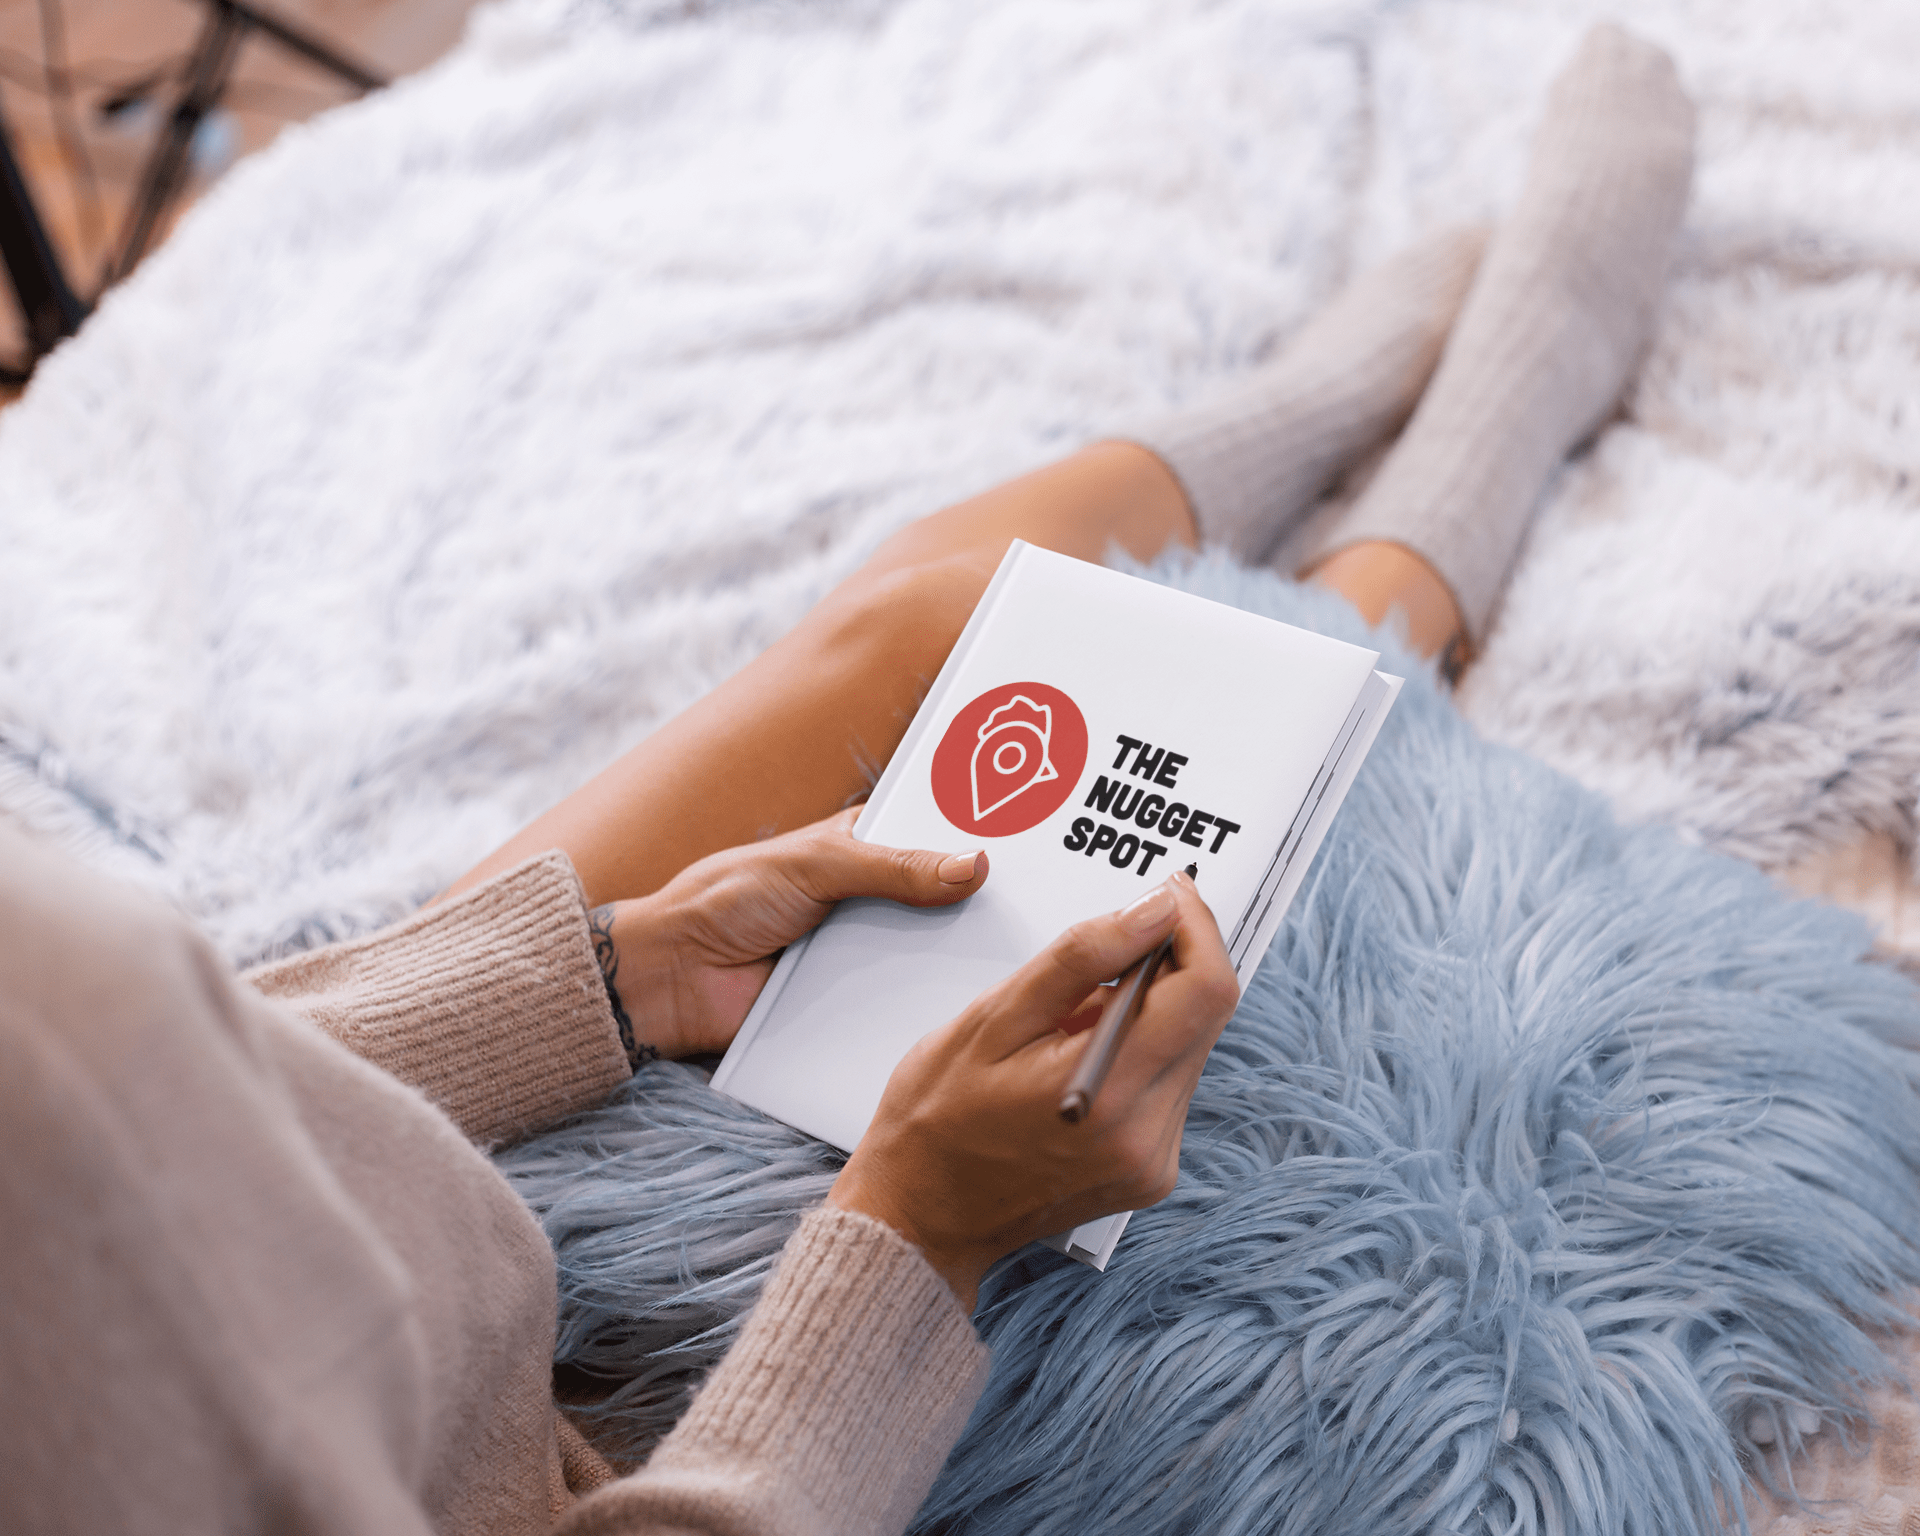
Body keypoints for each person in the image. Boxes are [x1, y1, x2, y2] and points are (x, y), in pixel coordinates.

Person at [0, 24, 1693, 1536]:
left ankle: (1311, 405)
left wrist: (614, 973)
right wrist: (923, 1225)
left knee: (935, 640)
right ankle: (1446, 507)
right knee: (1265, 799)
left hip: (350, 1179)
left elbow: (188, 1103)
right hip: (570, 1434)